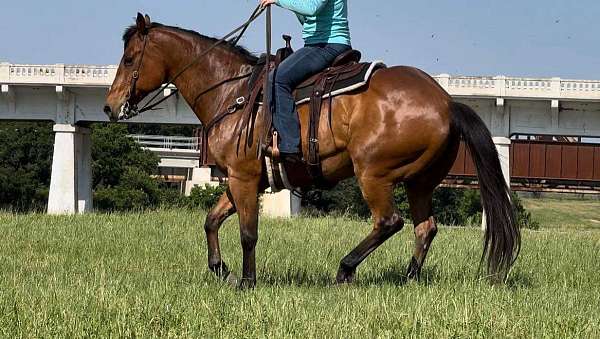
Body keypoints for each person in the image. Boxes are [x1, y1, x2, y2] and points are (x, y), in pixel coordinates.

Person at [260, 0, 351, 160]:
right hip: (320, 43)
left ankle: (289, 145)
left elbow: (311, 9)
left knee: (275, 79)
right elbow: (307, 19)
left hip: (326, 45)